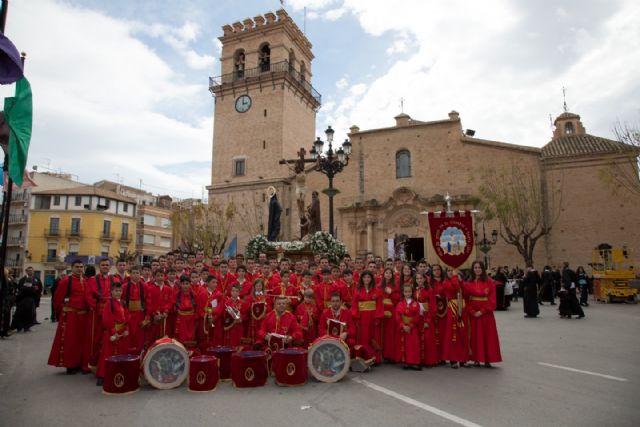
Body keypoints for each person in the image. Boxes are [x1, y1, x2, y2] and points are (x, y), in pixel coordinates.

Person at [48, 260, 89, 374]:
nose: (79, 269)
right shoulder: (66, 281)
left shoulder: (85, 281)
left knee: (81, 341)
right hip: (71, 316)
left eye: (81, 266)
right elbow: (57, 299)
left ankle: (80, 363)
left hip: (83, 315)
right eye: (77, 267)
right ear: (72, 268)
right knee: (70, 341)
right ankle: (70, 365)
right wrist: (61, 312)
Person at [464, 261, 502, 367]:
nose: (477, 269)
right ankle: (476, 358)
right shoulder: (469, 282)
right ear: (472, 269)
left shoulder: (489, 281)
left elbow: (492, 299)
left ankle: (487, 359)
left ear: (483, 269)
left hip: (486, 314)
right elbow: (466, 299)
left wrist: (482, 311)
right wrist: (471, 311)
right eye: (475, 267)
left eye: (479, 267)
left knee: (487, 336)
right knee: (475, 337)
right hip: (473, 314)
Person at [85, 258, 120, 370]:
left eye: (107, 265)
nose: (105, 266)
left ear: (110, 267)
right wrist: (96, 306)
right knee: (96, 338)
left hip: (112, 311)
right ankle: (93, 362)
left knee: (112, 336)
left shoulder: (115, 279)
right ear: (99, 266)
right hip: (98, 313)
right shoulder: (92, 280)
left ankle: (109, 361)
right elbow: (89, 295)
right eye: (103, 265)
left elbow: (119, 295)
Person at [96, 282, 129, 386]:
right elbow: (107, 319)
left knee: (120, 353)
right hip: (112, 333)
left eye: (120, 291)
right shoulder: (109, 303)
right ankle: (102, 376)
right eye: (116, 291)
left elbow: (127, 317)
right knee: (107, 354)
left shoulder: (123, 303)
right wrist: (113, 332)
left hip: (121, 333)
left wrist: (126, 329)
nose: (118, 293)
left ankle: (117, 374)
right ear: (111, 291)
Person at [351, 270, 384, 364]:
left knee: (374, 337)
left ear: (371, 279)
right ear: (361, 279)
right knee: (363, 337)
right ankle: (363, 357)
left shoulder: (377, 290)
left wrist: (378, 317)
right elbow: (354, 305)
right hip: (362, 317)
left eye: (368, 277)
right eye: (365, 277)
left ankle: (375, 358)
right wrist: (356, 317)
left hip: (373, 317)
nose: (367, 279)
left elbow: (379, 305)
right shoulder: (357, 290)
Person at [440, 267, 469, 369]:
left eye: (453, 270)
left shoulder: (459, 281)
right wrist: (456, 277)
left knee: (463, 333)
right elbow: (454, 288)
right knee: (453, 333)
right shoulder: (445, 282)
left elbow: (466, 292)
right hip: (453, 308)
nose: (451, 273)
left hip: (462, 307)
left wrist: (462, 282)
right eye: (449, 271)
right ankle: (453, 358)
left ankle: (463, 358)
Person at [121, 266, 150, 354]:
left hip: (140, 315)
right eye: (133, 273)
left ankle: (139, 356)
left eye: (137, 273)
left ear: (140, 274)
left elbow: (148, 302)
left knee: (140, 337)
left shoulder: (145, 286)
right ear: (130, 274)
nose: (135, 275)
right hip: (128, 314)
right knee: (128, 336)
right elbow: (121, 301)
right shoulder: (124, 286)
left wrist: (147, 316)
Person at [395, 284, 422, 370]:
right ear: (403, 293)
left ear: (412, 292)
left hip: (412, 327)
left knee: (414, 345)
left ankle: (414, 362)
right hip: (403, 327)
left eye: (409, 291)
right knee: (404, 345)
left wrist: (410, 326)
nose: (407, 293)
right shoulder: (400, 304)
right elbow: (397, 316)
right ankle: (405, 362)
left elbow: (417, 316)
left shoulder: (416, 303)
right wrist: (403, 325)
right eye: (406, 292)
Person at [414, 272, 438, 367]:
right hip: (417, 317)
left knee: (428, 339)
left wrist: (428, 320)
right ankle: (419, 360)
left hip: (427, 317)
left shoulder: (430, 290)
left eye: (421, 278)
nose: (419, 280)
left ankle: (429, 361)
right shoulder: (414, 291)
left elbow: (433, 307)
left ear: (424, 279)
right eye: (417, 279)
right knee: (418, 338)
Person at [378, 268, 400, 363]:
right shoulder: (379, 286)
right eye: (386, 273)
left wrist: (391, 293)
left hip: (392, 310)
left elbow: (398, 299)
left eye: (390, 273)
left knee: (390, 333)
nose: (388, 274)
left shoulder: (395, 285)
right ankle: (382, 354)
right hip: (382, 310)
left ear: (392, 275)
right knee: (381, 332)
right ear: (383, 275)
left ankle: (390, 355)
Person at [198, 275, 224, 349]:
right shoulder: (202, 293)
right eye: (213, 282)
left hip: (215, 321)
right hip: (205, 321)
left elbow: (220, 308)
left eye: (216, 282)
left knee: (216, 340)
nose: (215, 284)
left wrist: (213, 318)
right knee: (205, 340)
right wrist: (205, 316)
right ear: (207, 283)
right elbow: (200, 308)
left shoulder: (219, 295)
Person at [173, 275, 197, 348]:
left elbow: (197, 308)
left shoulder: (194, 294)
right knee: (181, 338)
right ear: (180, 284)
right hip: (181, 320)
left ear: (190, 284)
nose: (185, 286)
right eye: (183, 284)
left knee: (191, 338)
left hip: (191, 320)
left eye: (187, 284)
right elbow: (173, 307)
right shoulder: (176, 295)